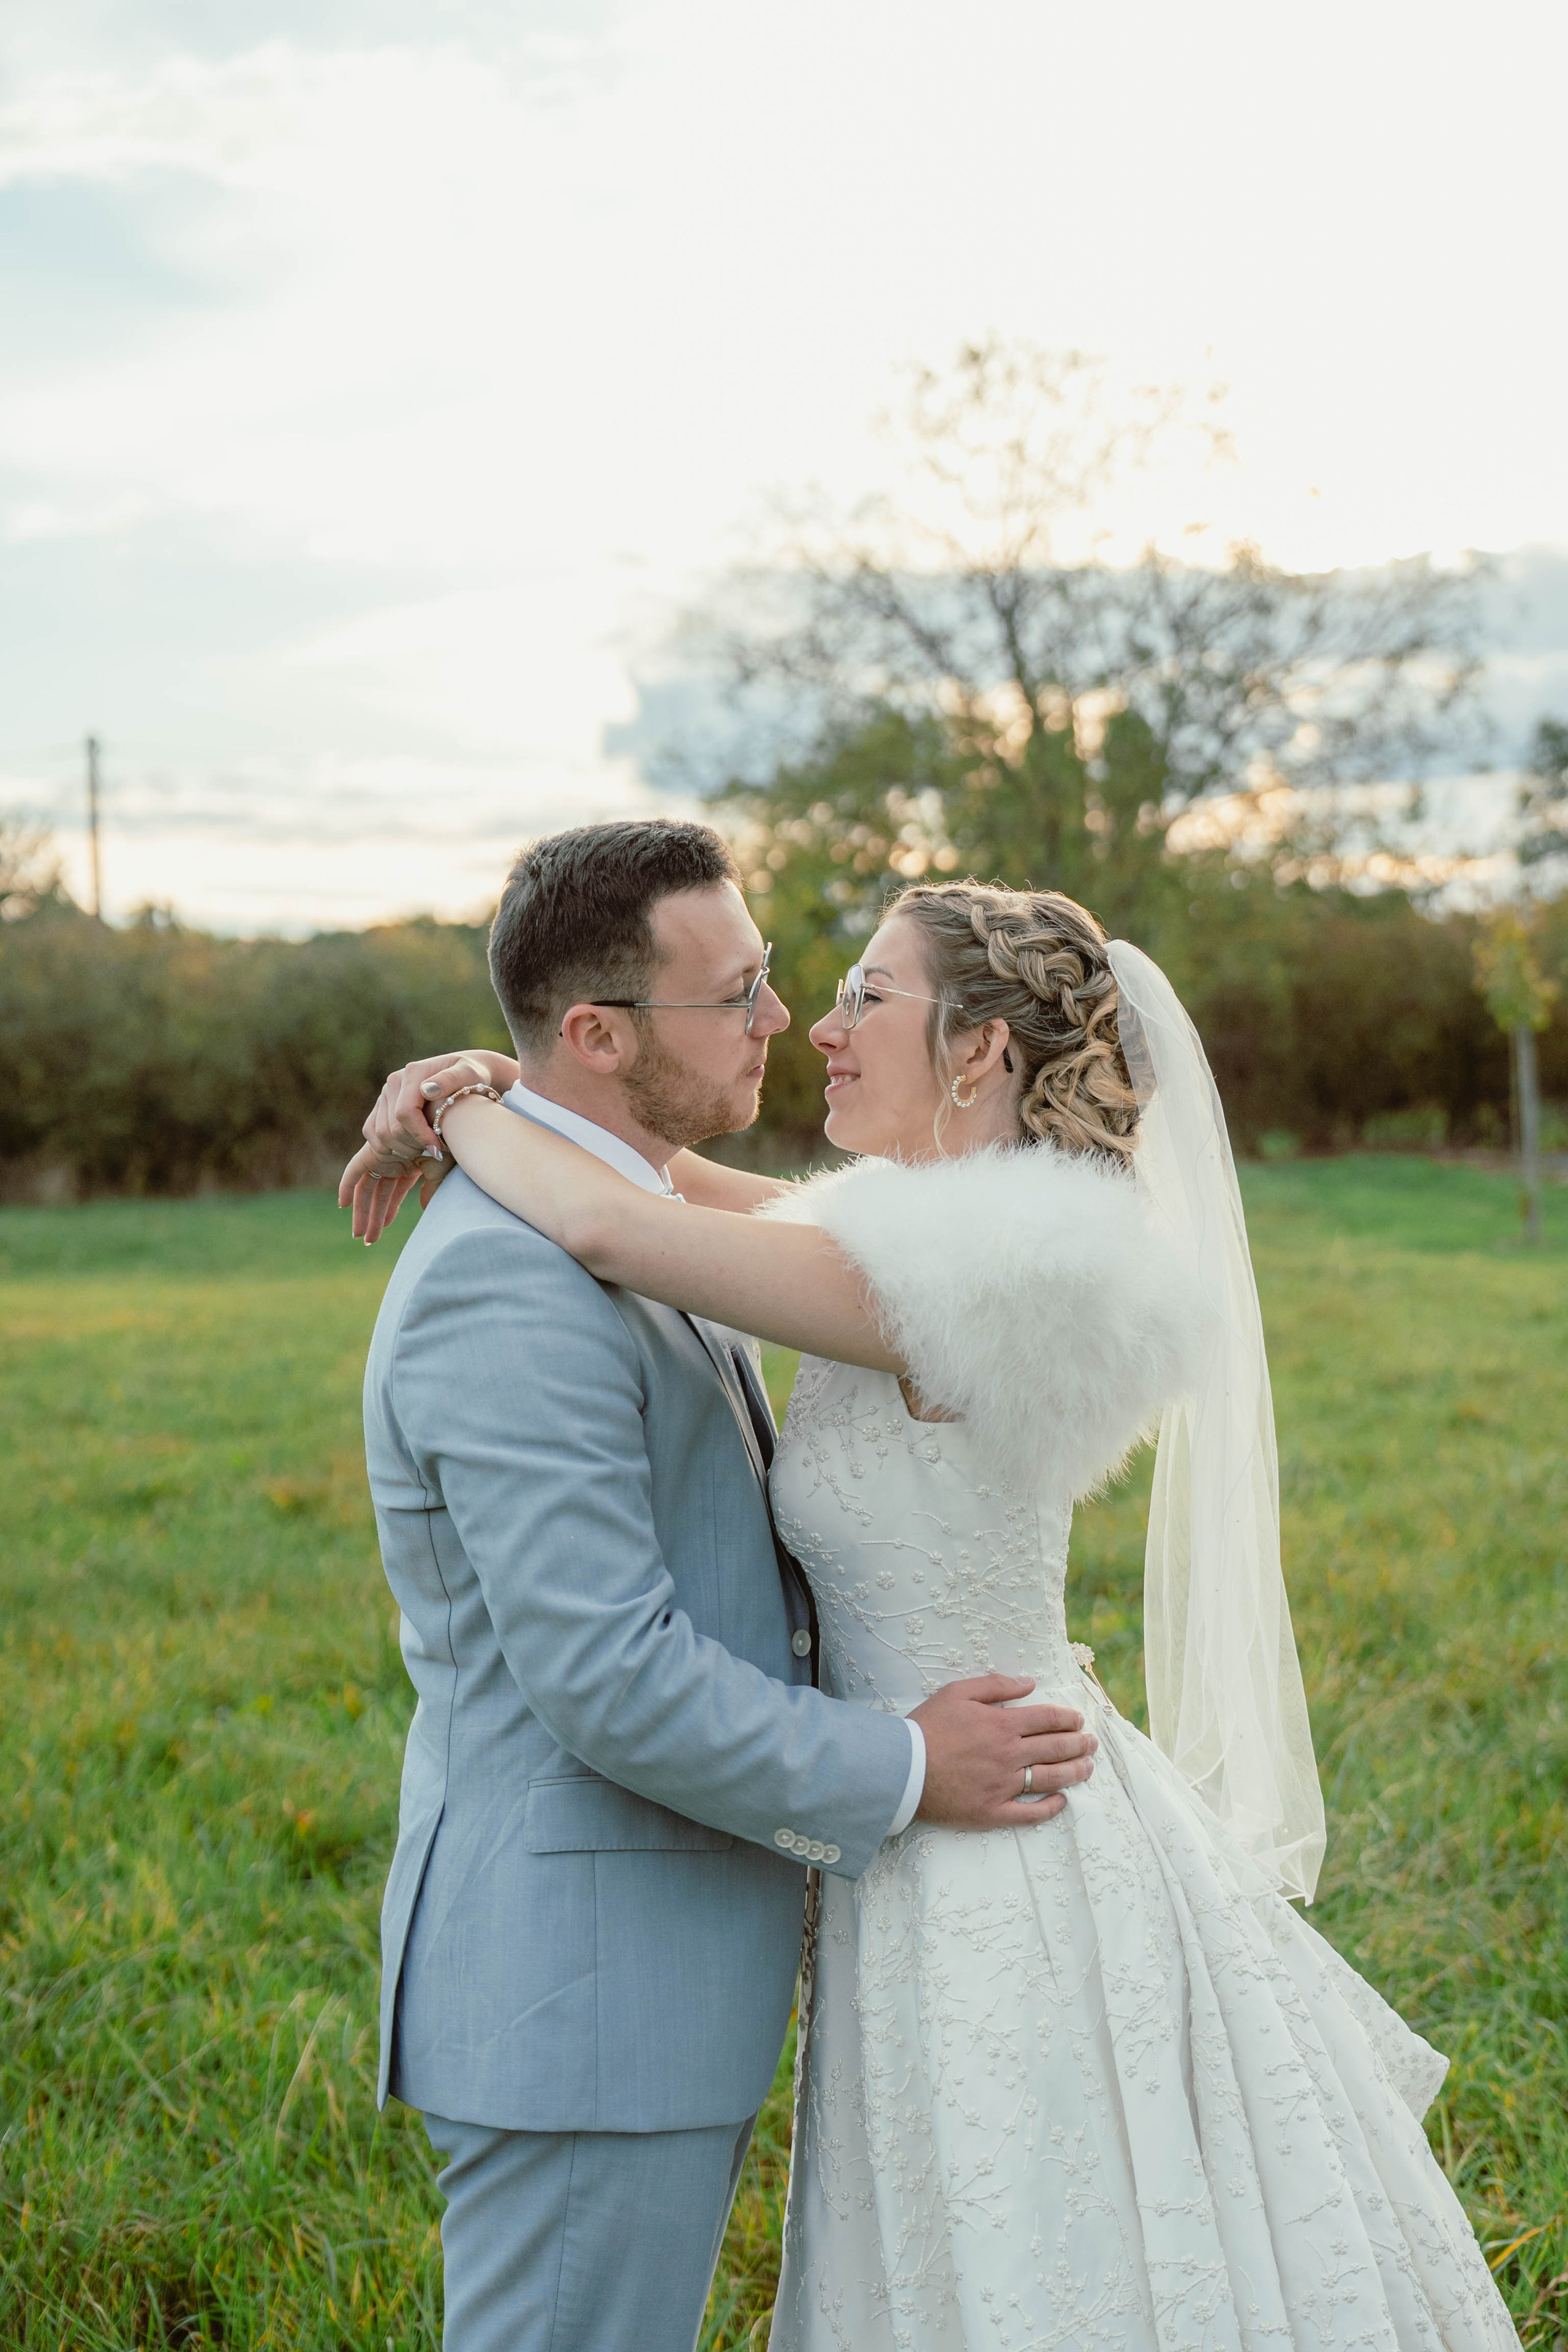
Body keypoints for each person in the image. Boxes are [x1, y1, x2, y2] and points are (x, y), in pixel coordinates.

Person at [347, 859, 1521, 2352]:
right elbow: (652, 1184)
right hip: (915, 1816)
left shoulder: (1004, 1269)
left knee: (1039, 2241)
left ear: (977, 1049)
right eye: (778, 989)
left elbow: (613, 1222)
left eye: (864, 994)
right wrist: (495, 1082)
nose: (814, 1024)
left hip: (989, 1819)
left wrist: (459, 1104)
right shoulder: (899, 1234)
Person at [345, 820, 1099, 2352]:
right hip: (585, 1992)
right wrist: (904, 1766)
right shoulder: (508, 1276)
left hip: (702, 1954)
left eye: (792, 982)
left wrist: (473, 1090)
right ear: (598, 1035)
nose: (783, 1017)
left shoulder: (710, 1228)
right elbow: (608, 1677)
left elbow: (629, 1205)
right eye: (737, 991)